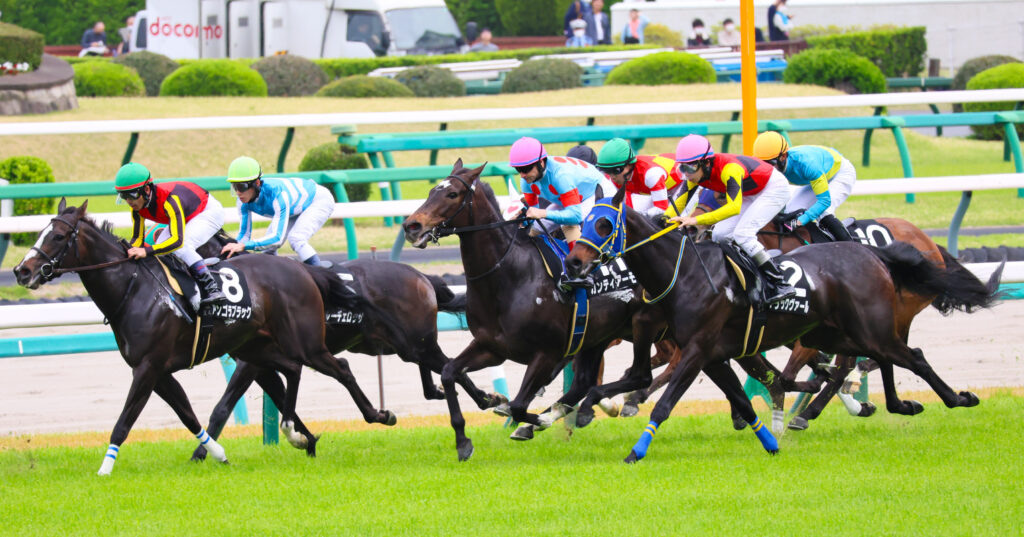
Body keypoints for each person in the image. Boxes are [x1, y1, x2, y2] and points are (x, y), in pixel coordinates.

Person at [666, 135, 797, 304]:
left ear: (706, 163)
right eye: (682, 167)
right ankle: (747, 277)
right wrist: (663, 220)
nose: (686, 173)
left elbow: (734, 207)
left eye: (690, 167)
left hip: (773, 188)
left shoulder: (730, 169)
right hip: (751, 192)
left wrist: (695, 220)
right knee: (719, 234)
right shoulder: (695, 174)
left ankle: (780, 283)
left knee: (743, 234)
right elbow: (678, 203)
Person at [114, 162, 226, 305]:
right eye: (124, 196)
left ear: (146, 189)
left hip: (207, 211)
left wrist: (146, 251)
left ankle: (212, 288)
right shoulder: (136, 206)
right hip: (186, 213)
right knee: (161, 247)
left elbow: (177, 241)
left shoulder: (169, 201)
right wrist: (129, 252)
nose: (129, 201)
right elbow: (137, 238)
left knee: (183, 246)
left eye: (132, 195)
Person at [219, 156, 337, 267]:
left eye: (242, 187)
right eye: (235, 187)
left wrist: (244, 246)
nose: (238, 192)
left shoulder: (277, 194)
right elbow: (244, 235)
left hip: (318, 200)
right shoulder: (242, 202)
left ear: (257, 183)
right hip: (294, 207)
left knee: (296, 238)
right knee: (267, 249)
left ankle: (322, 275)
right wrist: (234, 249)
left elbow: (277, 239)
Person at [509, 137, 615, 246]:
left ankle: (578, 257)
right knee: (536, 228)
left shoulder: (561, 176)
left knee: (568, 224)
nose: (522, 175)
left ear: (541, 162)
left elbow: (575, 216)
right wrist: (520, 219)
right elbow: (532, 214)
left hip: (597, 194)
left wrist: (543, 213)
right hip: (571, 198)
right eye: (518, 169)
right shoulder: (526, 181)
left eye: (526, 169)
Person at [751, 132, 856, 241]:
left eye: (771, 163)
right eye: (763, 164)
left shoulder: (807, 164)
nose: (768, 168)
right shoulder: (778, 164)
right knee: (791, 210)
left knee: (824, 212)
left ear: (783, 157)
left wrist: (798, 222)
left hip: (840, 174)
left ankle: (852, 247)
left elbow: (824, 201)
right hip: (818, 176)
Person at [595, 138, 673, 217]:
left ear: (630, 165)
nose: (612, 176)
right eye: (607, 171)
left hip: (677, 184)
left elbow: (662, 209)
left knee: (667, 218)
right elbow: (625, 209)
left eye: (616, 170)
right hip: (655, 189)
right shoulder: (617, 177)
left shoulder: (651, 174)